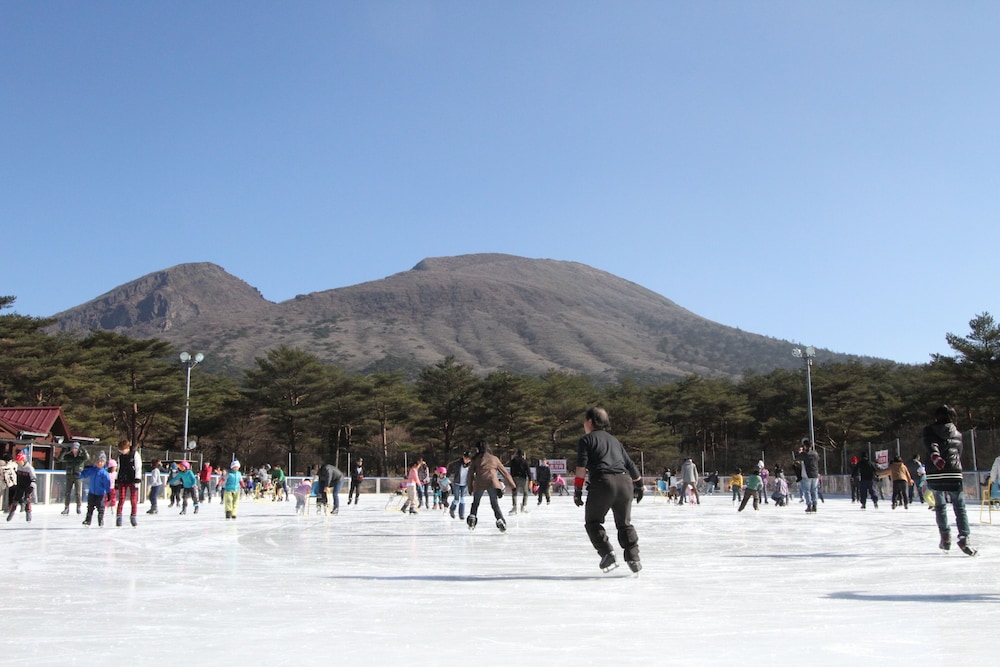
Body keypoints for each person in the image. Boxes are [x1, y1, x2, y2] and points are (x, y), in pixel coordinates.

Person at [574, 407, 642, 574]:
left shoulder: (586, 440)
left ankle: (607, 553)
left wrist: (577, 489)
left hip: (603, 482)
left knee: (593, 522)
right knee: (624, 524)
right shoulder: (614, 441)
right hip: (625, 482)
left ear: (590, 422)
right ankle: (633, 558)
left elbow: (581, 467)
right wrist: (639, 484)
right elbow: (630, 464)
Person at [924, 405, 976, 555]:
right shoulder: (957, 433)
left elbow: (931, 445)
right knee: (959, 507)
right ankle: (964, 537)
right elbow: (959, 452)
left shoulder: (929, 430)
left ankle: (945, 536)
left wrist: (935, 456)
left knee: (940, 506)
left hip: (936, 473)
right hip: (954, 472)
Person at [467, 441, 517, 532]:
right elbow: (505, 473)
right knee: (494, 504)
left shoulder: (476, 459)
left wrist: (470, 487)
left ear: (478, 449)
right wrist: (513, 486)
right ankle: (500, 519)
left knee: (475, 503)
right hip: (492, 482)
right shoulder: (494, 459)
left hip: (479, 482)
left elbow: (470, 475)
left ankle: (472, 518)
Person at [113, 439, 142, 527]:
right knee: (121, 499)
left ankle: (133, 516)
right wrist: (116, 480)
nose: (122, 452)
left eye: (123, 450)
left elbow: (138, 466)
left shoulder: (134, 454)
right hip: (122, 479)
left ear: (127, 448)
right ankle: (119, 517)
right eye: (120, 450)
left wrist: (137, 478)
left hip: (132, 479)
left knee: (133, 500)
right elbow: (119, 468)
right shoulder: (120, 457)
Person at [80, 452, 112, 527]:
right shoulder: (92, 470)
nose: (99, 463)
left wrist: (108, 493)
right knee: (90, 507)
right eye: (98, 462)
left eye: (101, 462)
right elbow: (84, 474)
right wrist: (78, 474)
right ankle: (88, 520)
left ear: (104, 463)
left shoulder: (104, 473)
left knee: (100, 508)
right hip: (92, 493)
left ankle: (100, 520)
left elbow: (107, 484)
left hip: (100, 494)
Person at [59, 441, 90, 515]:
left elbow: (87, 458)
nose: (74, 449)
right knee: (67, 492)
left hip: (78, 476)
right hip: (69, 475)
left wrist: (84, 450)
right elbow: (60, 459)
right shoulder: (69, 456)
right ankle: (66, 507)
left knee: (78, 492)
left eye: (76, 448)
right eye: (73, 448)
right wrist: (64, 451)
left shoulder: (81, 456)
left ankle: (78, 506)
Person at [5, 450, 36, 522]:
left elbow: (33, 479)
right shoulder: (18, 467)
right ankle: (11, 514)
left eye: (19, 461)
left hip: (28, 487)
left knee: (27, 500)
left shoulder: (29, 468)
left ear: (23, 460)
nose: (18, 463)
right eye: (17, 462)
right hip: (20, 486)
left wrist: (31, 487)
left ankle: (28, 516)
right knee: (15, 500)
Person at [794, 439, 821, 513]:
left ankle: (809, 505)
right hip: (815, 474)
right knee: (814, 490)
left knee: (807, 491)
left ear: (805, 446)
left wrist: (799, 452)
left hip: (807, 475)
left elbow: (796, 458)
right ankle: (815, 505)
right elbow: (818, 459)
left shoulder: (804, 454)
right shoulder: (815, 453)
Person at [446, 451, 472, 519]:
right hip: (457, 483)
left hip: (465, 484)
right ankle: (452, 509)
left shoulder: (471, 465)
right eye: (466, 458)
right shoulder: (457, 463)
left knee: (463, 499)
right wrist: (447, 476)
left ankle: (461, 514)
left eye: (468, 459)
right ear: (463, 457)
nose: (467, 460)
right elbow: (450, 466)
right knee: (456, 499)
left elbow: (474, 473)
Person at [507, 449, 531, 515]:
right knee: (525, 493)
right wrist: (530, 479)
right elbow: (528, 471)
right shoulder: (525, 461)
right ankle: (523, 506)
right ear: (523, 455)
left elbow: (511, 470)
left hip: (514, 478)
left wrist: (511, 478)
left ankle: (514, 507)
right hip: (523, 478)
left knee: (514, 493)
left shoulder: (513, 461)